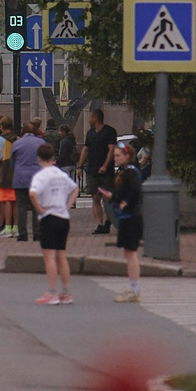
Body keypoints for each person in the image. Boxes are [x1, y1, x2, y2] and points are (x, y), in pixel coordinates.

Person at [28, 140, 79, 306]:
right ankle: (66, 292)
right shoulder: (60, 174)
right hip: (63, 217)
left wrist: (40, 209)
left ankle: (52, 293)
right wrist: (67, 205)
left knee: (49, 257)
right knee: (61, 256)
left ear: (38, 158)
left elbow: (32, 194)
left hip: (49, 216)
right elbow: (75, 188)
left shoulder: (41, 176)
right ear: (52, 157)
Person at [107, 138, 146, 303]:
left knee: (131, 254)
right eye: (114, 155)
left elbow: (136, 190)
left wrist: (126, 205)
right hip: (130, 217)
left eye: (117, 155)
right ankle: (132, 288)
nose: (115, 158)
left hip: (131, 218)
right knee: (129, 253)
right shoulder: (129, 170)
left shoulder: (130, 171)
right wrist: (115, 197)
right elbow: (128, 191)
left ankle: (134, 290)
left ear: (126, 155)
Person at [9, 120, 44, 241]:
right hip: (37, 179)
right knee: (37, 207)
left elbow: (12, 162)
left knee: (21, 207)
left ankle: (22, 233)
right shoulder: (41, 143)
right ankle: (38, 233)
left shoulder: (17, 144)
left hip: (20, 179)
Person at [83, 108, 116, 233]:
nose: (88, 119)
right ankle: (99, 224)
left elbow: (111, 150)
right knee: (95, 197)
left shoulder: (109, 132)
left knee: (108, 197)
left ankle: (109, 220)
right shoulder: (90, 133)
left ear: (95, 118)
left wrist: (105, 165)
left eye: (90, 117)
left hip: (106, 172)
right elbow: (85, 150)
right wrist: (80, 166)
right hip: (92, 170)